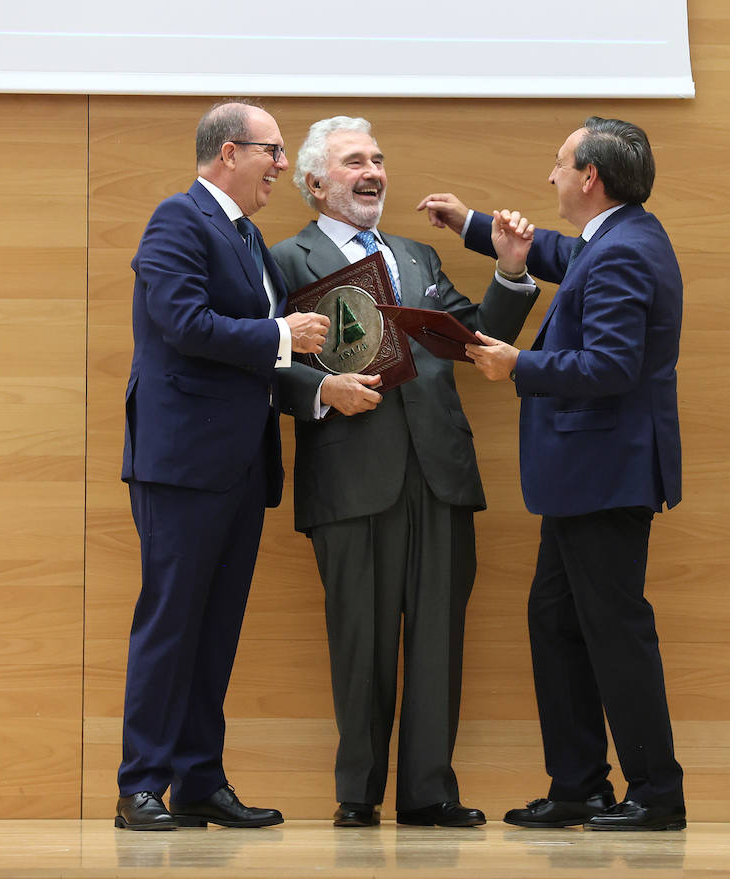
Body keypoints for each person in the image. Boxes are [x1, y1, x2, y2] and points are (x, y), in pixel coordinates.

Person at [268, 116, 539, 828]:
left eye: (379, 159)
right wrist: (320, 392)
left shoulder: (415, 254)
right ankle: (357, 795)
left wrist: (510, 270)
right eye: (356, 160)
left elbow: (471, 338)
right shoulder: (283, 260)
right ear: (316, 183)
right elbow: (261, 366)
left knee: (439, 637)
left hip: (439, 473)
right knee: (361, 640)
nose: (374, 171)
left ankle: (429, 792)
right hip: (351, 478)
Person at [420, 115, 686, 831]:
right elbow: (560, 252)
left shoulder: (625, 253)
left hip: (605, 476)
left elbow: (610, 366)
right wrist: (473, 224)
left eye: (560, 163)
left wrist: (518, 365)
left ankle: (656, 792)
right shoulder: (619, 238)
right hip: (585, 477)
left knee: (614, 628)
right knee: (556, 621)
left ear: (590, 178)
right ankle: (579, 784)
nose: (550, 176)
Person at [117, 99, 329, 831]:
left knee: (215, 631)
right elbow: (183, 321)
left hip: (239, 464)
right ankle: (141, 783)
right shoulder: (178, 219)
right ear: (228, 153)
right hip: (182, 463)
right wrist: (280, 332)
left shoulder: (246, 236)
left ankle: (199, 780)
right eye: (272, 150)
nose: (281, 164)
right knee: (172, 622)